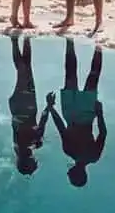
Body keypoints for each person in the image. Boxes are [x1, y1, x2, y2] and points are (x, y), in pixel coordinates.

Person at [46, 39, 107, 187]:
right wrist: (51, 108)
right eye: (70, 175)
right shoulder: (69, 151)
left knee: (93, 77)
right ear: (75, 173)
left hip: (86, 116)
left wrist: (99, 114)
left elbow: (103, 133)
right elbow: (61, 128)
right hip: (71, 114)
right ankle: (70, 41)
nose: (67, 173)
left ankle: (99, 46)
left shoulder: (94, 157)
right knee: (70, 75)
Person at [9, 36, 49, 175]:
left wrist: (49, 106)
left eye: (34, 163)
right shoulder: (18, 148)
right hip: (19, 107)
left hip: (24, 106)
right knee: (26, 70)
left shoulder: (27, 145)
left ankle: (15, 40)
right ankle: (25, 40)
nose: (36, 161)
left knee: (23, 71)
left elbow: (41, 124)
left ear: (28, 162)